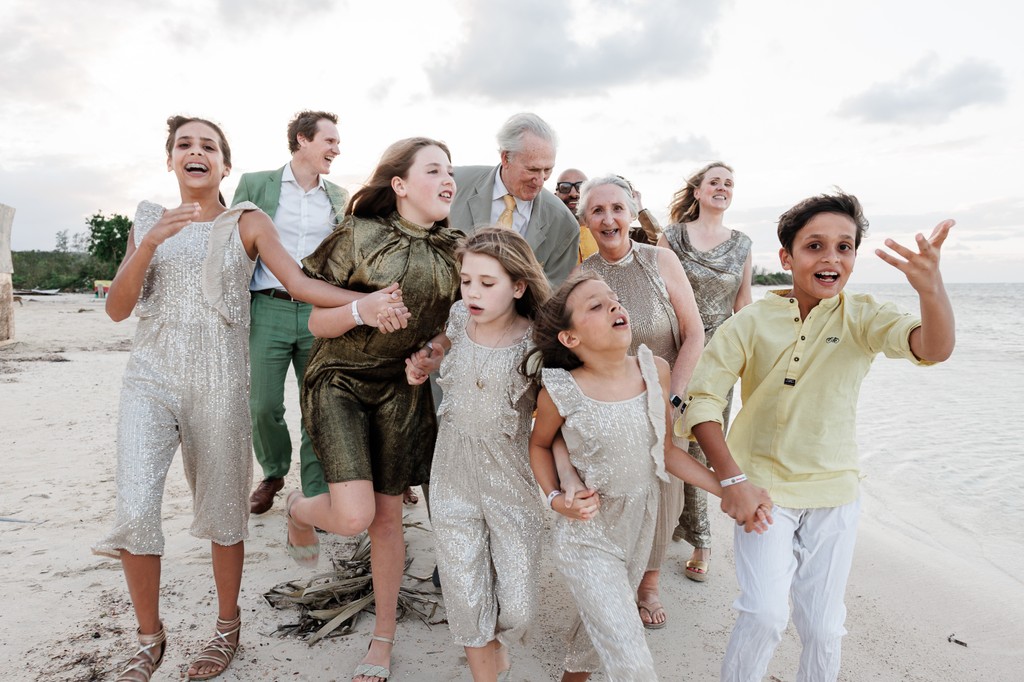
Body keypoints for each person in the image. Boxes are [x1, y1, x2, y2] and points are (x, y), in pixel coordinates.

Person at [92, 116, 406, 682]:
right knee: (136, 509)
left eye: (208, 146)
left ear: (224, 166)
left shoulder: (249, 221)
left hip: (218, 383)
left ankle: (225, 627)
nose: (196, 152)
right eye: (184, 145)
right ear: (170, 160)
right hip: (149, 379)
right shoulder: (148, 219)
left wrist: (366, 301)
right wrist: (153, 241)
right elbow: (117, 308)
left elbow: (300, 284)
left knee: (222, 512)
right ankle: (149, 637)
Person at [680, 192, 955, 682]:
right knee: (764, 615)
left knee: (824, 629)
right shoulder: (750, 321)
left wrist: (930, 289)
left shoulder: (864, 316)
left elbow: (933, 348)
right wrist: (734, 481)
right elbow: (702, 401)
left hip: (834, 494)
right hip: (762, 494)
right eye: (815, 246)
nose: (831, 258)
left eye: (844, 247)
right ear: (786, 257)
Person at [527, 273, 772, 682]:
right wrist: (555, 497)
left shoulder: (653, 368)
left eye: (613, 299)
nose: (613, 306)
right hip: (587, 535)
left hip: (639, 526)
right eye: (595, 306)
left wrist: (731, 488)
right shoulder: (561, 389)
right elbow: (539, 444)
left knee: (599, 630)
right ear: (570, 338)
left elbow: (667, 452)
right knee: (630, 655)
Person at [286, 137, 463, 682]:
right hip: (339, 380)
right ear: (401, 184)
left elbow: (451, 330)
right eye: (434, 170)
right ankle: (297, 508)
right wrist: (360, 309)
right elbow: (316, 321)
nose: (448, 179)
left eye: (450, 171)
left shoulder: (455, 250)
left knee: (388, 518)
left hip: (400, 389)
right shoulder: (358, 235)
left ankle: (382, 638)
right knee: (353, 516)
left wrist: (430, 357)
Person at [404, 227, 552, 682]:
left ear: (518, 286)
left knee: (519, 606)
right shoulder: (457, 318)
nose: (473, 292)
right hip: (452, 473)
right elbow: (444, 344)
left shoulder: (537, 343)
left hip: (512, 481)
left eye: (488, 284)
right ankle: (484, 670)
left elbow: (556, 420)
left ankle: (497, 644)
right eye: (467, 280)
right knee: (465, 592)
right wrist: (426, 357)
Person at [576, 176, 704, 630]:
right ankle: (612, 576)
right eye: (597, 211)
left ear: (631, 213)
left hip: (667, 398)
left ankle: (648, 584)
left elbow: (693, 335)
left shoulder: (661, 260)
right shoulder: (581, 276)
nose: (608, 218)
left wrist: (674, 397)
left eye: (616, 208)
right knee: (613, 495)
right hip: (610, 405)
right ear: (585, 219)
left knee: (666, 491)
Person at [232, 110, 348, 514]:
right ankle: (274, 471)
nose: (337, 148)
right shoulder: (254, 185)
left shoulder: (339, 198)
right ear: (303, 140)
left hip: (319, 312)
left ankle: (315, 489)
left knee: (315, 404)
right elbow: (232, 245)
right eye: (329, 141)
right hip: (268, 307)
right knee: (262, 404)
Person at [657, 161, 752, 582]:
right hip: (674, 347)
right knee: (661, 436)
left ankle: (701, 538)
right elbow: (658, 295)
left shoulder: (744, 244)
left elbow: (744, 306)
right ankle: (666, 525)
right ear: (697, 191)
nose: (722, 187)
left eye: (729, 183)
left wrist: (754, 362)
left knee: (702, 443)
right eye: (714, 181)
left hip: (720, 357)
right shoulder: (671, 237)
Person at [450, 112, 579, 287]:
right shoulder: (453, 183)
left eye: (547, 170)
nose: (540, 181)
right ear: (506, 158)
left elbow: (553, 298)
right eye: (532, 170)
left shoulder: (564, 224)